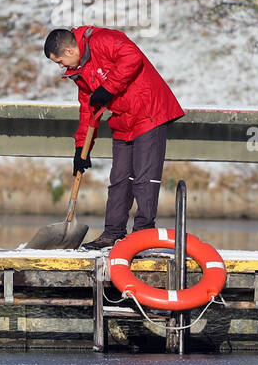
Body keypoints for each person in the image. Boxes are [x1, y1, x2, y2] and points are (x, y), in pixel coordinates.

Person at [44, 26, 184, 249]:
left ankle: (142, 235)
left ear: (69, 51)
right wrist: (82, 149)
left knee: (144, 179)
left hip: (149, 111)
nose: (60, 67)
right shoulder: (81, 72)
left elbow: (132, 57)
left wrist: (108, 88)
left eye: (59, 61)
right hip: (123, 120)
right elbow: (87, 110)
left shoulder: (103, 39)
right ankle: (112, 233)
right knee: (119, 179)